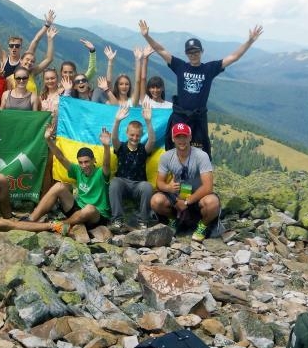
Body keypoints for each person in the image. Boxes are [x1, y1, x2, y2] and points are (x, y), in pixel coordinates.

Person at [139, 20, 263, 156]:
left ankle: (196, 175)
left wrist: (250, 41)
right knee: (175, 149)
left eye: (196, 52)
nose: (193, 55)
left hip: (198, 118)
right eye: (190, 52)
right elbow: (160, 50)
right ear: (186, 54)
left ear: (201, 51)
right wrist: (146, 36)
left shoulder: (209, 69)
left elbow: (234, 57)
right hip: (180, 115)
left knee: (199, 153)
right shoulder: (180, 66)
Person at [25, 124, 112, 233]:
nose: (84, 165)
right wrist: (48, 139)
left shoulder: (101, 173)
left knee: (89, 208)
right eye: (81, 162)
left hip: (96, 216)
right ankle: (30, 219)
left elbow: (107, 164)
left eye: (87, 162)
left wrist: (107, 146)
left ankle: (62, 224)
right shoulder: (77, 170)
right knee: (59, 186)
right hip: (78, 209)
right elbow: (60, 157)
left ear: (94, 160)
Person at [150, 122, 221, 242]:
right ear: (173, 138)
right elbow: (159, 183)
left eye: (184, 136)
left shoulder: (201, 156)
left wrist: (187, 202)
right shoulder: (166, 157)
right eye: (178, 137)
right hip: (177, 197)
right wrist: (169, 189)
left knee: (213, 203)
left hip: (197, 197)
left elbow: (208, 187)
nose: (181, 140)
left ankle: (202, 226)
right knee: (156, 201)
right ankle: (173, 220)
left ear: (190, 137)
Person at [108, 101, 155, 232]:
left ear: (141, 136)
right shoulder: (121, 147)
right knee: (114, 183)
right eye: (132, 135)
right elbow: (114, 139)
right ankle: (117, 219)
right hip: (122, 182)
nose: (134, 138)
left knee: (147, 186)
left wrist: (148, 122)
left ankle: (143, 221)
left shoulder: (143, 149)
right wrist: (117, 121)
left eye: (137, 135)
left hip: (138, 185)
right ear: (127, 133)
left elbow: (152, 141)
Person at [0, 6, 56, 77]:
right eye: (11, 46)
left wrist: (47, 25)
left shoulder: (25, 60)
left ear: (21, 47)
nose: (14, 48)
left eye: (17, 46)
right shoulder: (4, 59)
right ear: (8, 48)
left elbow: (36, 40)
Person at [5, 26, 58, 93]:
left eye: (32, 61)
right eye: (27, 59)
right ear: (21, 60)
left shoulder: (32, 73)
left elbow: (49, 59)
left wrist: (50, 39)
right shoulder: (9, 79)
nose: (29, 62)